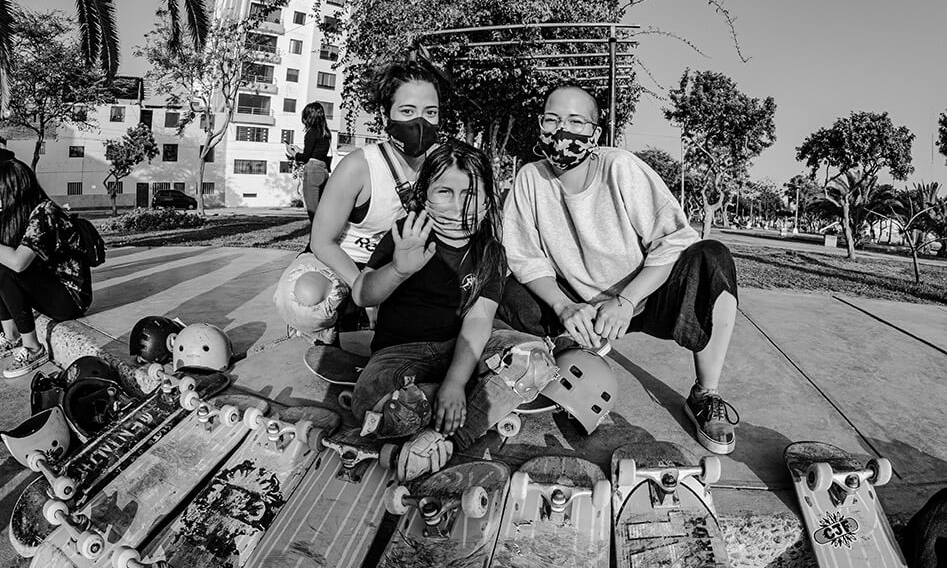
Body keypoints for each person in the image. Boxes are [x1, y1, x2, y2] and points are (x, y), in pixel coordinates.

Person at [499, 85, 741, 455]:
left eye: (576, 122)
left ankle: (705, 394)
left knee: (714, 260)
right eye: (553, 120)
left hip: (643, 298)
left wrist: (627, 301)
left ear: (595, 134)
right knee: (508, 291)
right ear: (540, 125)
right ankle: (565, 356)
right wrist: (564, 306)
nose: (562, 131)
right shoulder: (530, 179)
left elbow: (673, 240)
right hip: (577, 305)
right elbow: (524, 257)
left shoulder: (620, 168)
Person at [350, 139, 558, 482]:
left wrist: (455, 382)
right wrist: (399, 269)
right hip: (399, 355)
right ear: (425, 195)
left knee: (535, 360)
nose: (458, 206)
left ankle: (444, 434)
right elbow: (362, 294)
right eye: (444, 192)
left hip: (464, 351)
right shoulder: (407, 233)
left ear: (488, 200)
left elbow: (478, 322)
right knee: (375, 403)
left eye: (469, 193)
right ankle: (442, 409)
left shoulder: (491, 252)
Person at [273, 60, 441, 345]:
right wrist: (365, 289)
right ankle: (331, 323)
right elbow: (322, 241)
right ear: (384, 114)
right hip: (340, 263)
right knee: (306, 299)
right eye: (407, 111)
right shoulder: (359, 166)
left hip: (399, 266)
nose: (420, 122)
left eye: (431, 112)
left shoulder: (442, 167)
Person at [0, 159, 92, 378]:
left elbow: (18, 262)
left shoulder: (45, 212)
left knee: (7, 269)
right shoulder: (18, 216)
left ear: (13, 189)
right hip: (50, 291)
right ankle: (10, 336)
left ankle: (34, 348)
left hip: (70, 298)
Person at [285, 101, 333, 223]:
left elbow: (305, 157)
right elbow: (315, 153)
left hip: (312, 171)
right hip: (323, 170)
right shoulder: (326, 133)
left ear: (308, 117)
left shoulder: (311, 133)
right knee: (323, 210)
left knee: (313, 212)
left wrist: (293, 153)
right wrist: (299, 150)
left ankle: (316, 240)